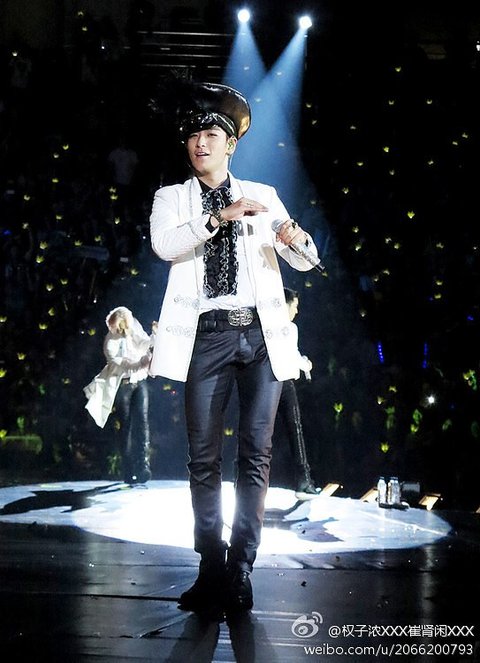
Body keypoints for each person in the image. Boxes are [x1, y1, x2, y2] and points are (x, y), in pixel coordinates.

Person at [148, 82, 319, 618]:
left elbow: (306, 260)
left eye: (211, 135)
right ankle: (210, 566)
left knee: (256, 455)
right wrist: (219, 216)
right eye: (193, 136)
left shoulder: (263, 194)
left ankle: (241, 569)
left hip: (262, 337)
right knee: (203, 458)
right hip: (207, 336)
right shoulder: (171, 198)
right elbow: (164, 245)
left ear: (231, 145)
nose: (200, 143)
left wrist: (295, 237)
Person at [84, 306, 155, 484]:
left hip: (139, 381)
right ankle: (128, 469)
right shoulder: (110, 341)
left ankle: (143, 465)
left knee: (143, 421)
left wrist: (155, 335)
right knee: (126, 426)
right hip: (123, 385)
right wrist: (139, 364)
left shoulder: (133, 328)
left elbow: (144, 343)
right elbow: (119, 363)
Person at [277, 287, 321, 500]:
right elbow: (290, 355)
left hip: (267, 382)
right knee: (295, 429)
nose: (296, 311)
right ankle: (303, 481)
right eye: (294, 306)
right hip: (282, 382)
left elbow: (291, 353)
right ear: (285, 304)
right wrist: (304, 364)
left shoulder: (269, 325)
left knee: (259, 431)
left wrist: (302, 362)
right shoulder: (289, 327)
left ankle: (244, 480)